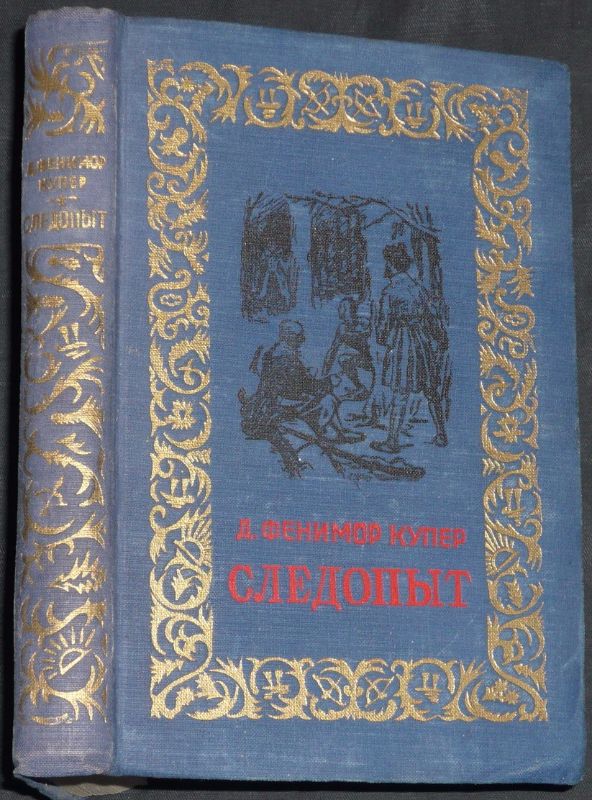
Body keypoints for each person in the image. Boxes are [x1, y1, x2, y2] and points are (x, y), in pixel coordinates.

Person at [239, 320, 362, 474]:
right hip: (280, 406)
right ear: (289, 337)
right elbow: (304, 388)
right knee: (328, 400)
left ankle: (336, 432)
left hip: (273, 401)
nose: (302, 339)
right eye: (299, 336)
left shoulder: (274, 352)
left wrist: (308, 378)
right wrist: (329, 381)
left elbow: (293, 382)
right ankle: (328, 433)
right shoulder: (286, 358)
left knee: (322, 397)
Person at [371, 243, 447, 453]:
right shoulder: (418, 288)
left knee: (400, 392)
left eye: (387, 263)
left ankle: (392, 441)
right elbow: (431, 317)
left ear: (392, 264)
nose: (385, 267)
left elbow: (383, 328)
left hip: (402, 342)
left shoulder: (390, 291)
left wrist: (384, 338)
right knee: (431, 390)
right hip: (421, 341)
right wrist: (439, 337)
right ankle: (441, 434)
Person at [322, 297, 374, 401]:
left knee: (345, 358)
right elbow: (333, 350)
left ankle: (363, 389)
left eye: (341, 307)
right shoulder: (342, 328)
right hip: (359, 359)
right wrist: (324, 372)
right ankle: (360, 387)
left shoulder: (364, 323)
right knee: (344, 358)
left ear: (348, 309)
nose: (338, 310)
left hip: (371, 359)